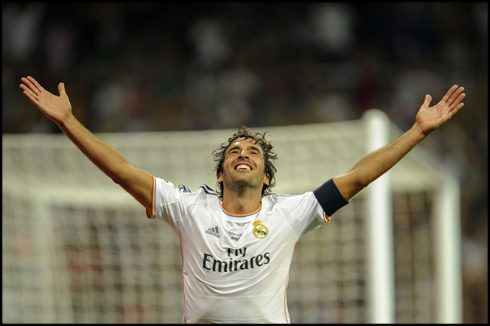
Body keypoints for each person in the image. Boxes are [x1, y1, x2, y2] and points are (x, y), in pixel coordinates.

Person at [20, 76, 465, 323]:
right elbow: (120, 170)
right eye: (234, 150)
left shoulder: (290, 212)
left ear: (266, 175)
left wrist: (417, 132)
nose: (243, 153)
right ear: (220, 173)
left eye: (252, 151)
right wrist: (68, 123)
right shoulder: (188, 207)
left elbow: (358, 177)